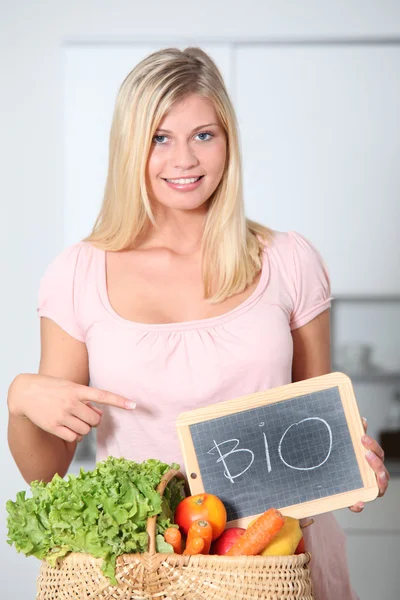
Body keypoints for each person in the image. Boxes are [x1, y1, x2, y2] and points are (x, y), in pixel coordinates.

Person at [7, 47, 388, 599]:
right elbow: (45, 473)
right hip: (146, 570)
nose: (184, 159)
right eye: (161, 138)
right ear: (130, 148)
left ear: (228, 142)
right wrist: (20, 399)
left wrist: (354, 469)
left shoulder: (287, 260)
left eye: (204, 135)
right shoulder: (78, 273)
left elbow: (316, 428)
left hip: (272, 563)